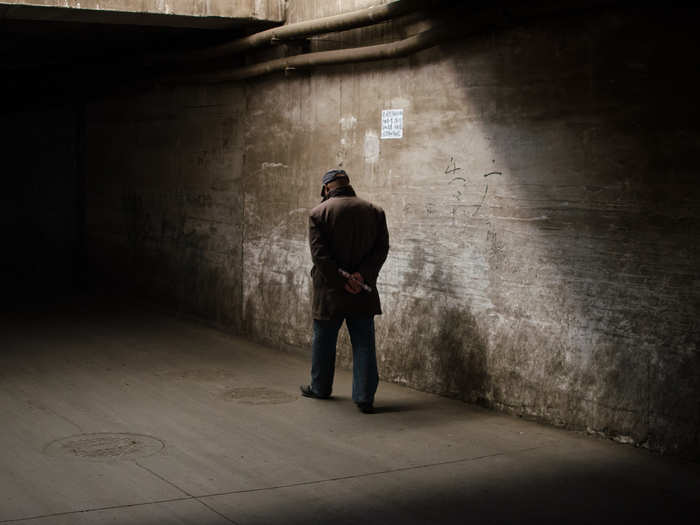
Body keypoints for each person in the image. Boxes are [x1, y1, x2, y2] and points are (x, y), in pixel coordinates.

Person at [300, 169, 390, 413]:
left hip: (330, 292)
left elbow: (320, 256)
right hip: (363, 290)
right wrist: (362, 276)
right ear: (348, 184)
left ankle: (320, 387)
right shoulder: (375, 211)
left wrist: (342, 281)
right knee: (363, 342)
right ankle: (364, 397)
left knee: (324, 340)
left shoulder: (319, 213)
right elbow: (381, 249)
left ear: (327, 188)